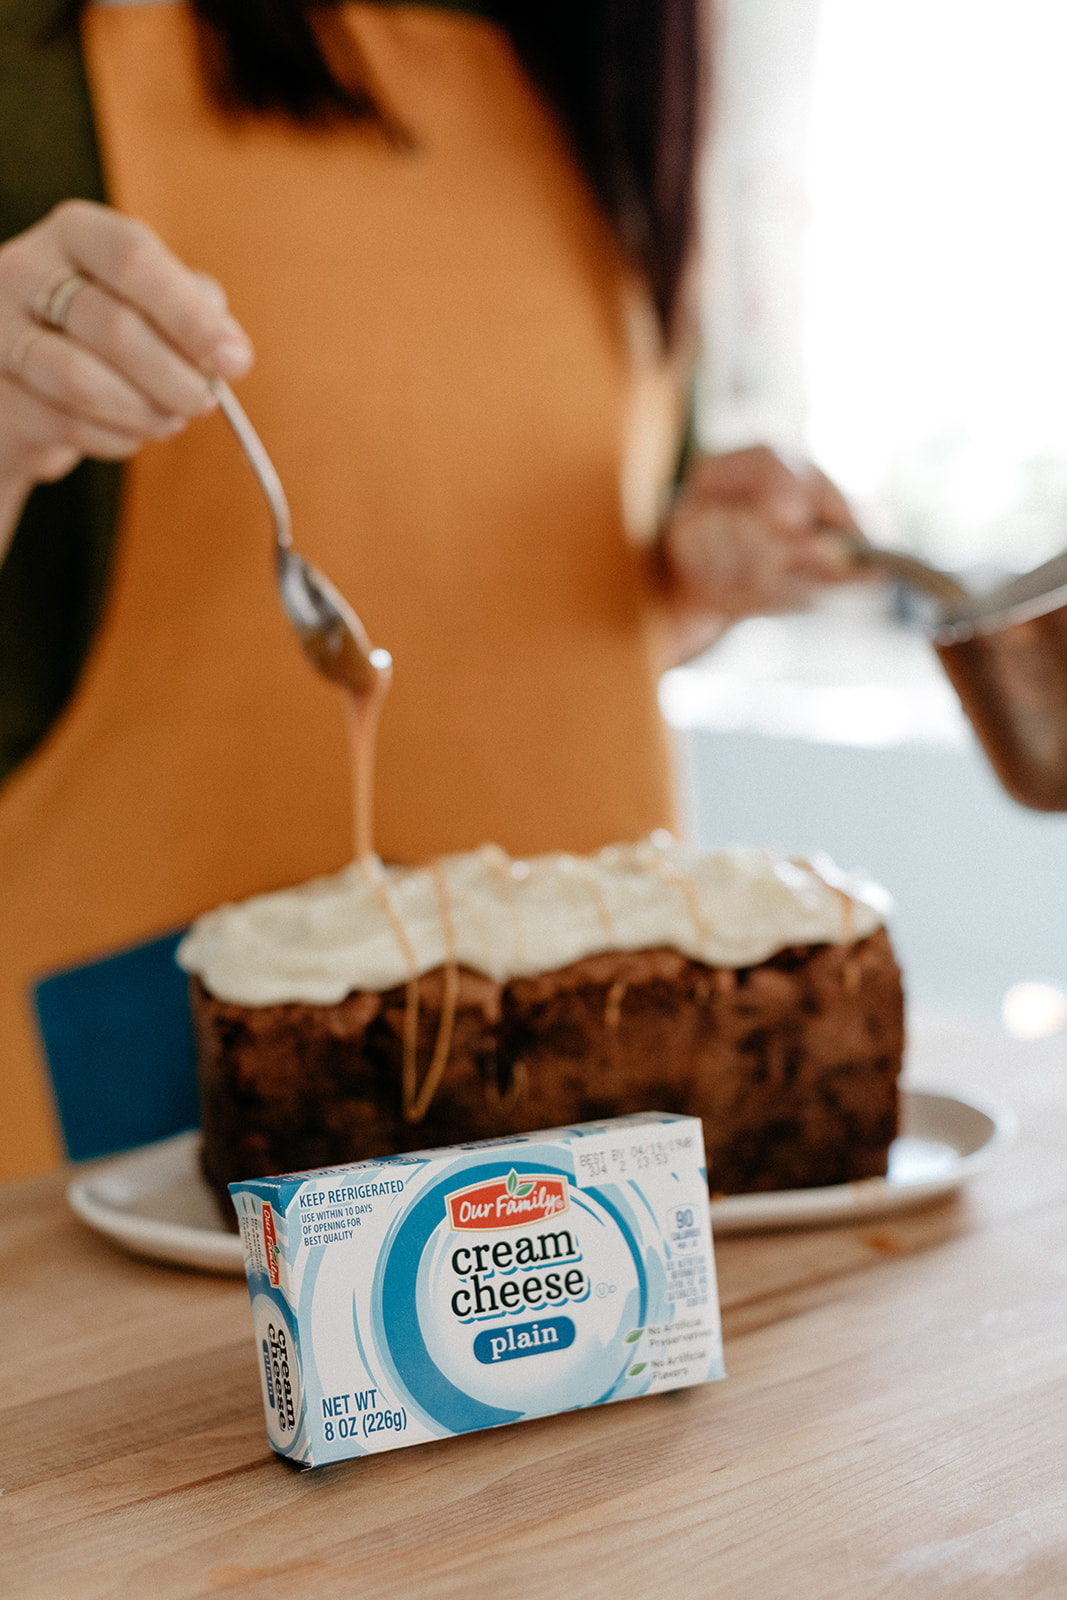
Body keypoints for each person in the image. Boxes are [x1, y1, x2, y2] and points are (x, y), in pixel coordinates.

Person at [0, 0, 858, 1177]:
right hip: (137, 1055)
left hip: (595, 1040)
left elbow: (560, 574)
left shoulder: (635, 62)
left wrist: (701, 567)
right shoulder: (32, 57)